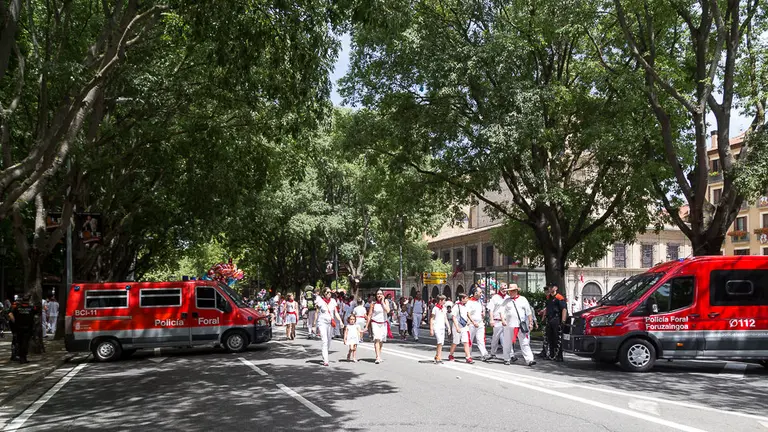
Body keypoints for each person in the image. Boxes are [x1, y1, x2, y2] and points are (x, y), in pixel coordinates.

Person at [500, 284, 536, 366]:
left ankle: (529, 359)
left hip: (521, 325)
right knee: (507, 342)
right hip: (509, 325)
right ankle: (507, 358)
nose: (511, 292)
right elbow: (502, 311)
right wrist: (503, 320)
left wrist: (530, 322)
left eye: (512, 291)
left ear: (516, 291)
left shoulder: (523, 299)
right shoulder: (506, 301)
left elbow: (528, 312)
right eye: (510, 291)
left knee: (524, 342)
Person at [8, 294, 40, 364]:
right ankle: (23, 358)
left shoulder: (17, 308)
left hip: (18, 328)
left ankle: (20, 357)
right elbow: (37, 312)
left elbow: (10, 314)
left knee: (19, 342)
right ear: (28, 300)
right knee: (25, 343)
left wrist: (14, 322)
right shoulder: (31, 308)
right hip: (28, 328)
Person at [316, 288, 343, 366]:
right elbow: (317, 312)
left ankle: (325, 353)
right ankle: (326, 359)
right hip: (322, 322)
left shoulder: (333, 301)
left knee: (329, 341)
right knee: (324, 340)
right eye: (327, 292)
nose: (329, 294)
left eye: (330, 292)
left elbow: (336, 313)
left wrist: (340, 321)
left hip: (330, 322)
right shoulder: (320, 301)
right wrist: (315, 324)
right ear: (324, 293)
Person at [365, 289, 391, 364]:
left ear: (383, 295)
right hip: (375, 323)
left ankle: (379, 354)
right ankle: (377, 357)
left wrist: (382, 302)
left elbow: (388, 310)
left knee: (381, 340)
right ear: (376, 296)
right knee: (377, 338)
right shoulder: (373, 304)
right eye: (378, 294)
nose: (379, 295)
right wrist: (367, 326)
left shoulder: (386, 302)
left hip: (383, 323)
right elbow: (369, 315)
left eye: (380, 294)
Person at [544, 283, 567, 361]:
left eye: (551, 287)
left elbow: (564, 309)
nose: (550, 288)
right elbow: (547, 307)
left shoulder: (559, 297)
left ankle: (559, 356)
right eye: (549, 287)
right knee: (549, 337)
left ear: (556, 288)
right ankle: (551, 354)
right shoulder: (548, 297)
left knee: (557, 338)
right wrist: (544, 316)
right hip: (549, 319)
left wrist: (563, 321)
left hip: (556, 319)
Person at [466, 286, 489, 362]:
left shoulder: (480, 301)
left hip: (480, 323)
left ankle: (484, 354)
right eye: (480, 292)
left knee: (481, 339)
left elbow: (481, 311)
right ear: (475, 293)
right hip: (472, 324)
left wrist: (483, 315)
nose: (481, 294)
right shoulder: (469, 302)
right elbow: (468, 313)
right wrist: (473, 322)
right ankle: (468, 354)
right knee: (470, 340)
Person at [448, 293, 473, 363]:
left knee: (466, 341)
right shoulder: (456, 306)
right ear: (462, 299)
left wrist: (471, 321)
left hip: (464, 327)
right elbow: (454, 317)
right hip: (457, 326)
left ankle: (468, 357)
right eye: (466, 298)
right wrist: (457, 327)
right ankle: (451, 354)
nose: (467, 299)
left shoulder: (466, 306)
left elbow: (468, 314)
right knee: (456, 342)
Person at [429, 295, 449, 364]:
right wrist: (431, 329)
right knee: (439, 341)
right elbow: (432, 318)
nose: (445, 302)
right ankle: (438, 357)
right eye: (444, 300)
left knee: (441, 343)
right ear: (440, 301)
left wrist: (448, 327)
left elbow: (445, 318)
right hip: (436, 326)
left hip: (442, 327)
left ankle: (437, 355)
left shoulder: (444, 308)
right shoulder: (435, 308)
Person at [487, 287, 505, 359]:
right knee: (495, 338)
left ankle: (511, 355)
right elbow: (491, 309)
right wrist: (491, 320)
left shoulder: (508, 298)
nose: (504, 290)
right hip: (497, 321)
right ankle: (492, 353)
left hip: (506, 321)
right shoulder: (495, 297)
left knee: (506, 339)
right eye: (503, 288)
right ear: (500, 289)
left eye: (506, 288)